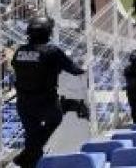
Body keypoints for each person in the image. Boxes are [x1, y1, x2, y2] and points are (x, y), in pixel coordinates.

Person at [11, 16, 85, 168]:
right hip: (46, 102)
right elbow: (73, 69)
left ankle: (29, 155)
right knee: (55, 119)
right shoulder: (52, 51)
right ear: (48, 33)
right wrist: (84, 68)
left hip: (23, 102)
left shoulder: (19, 51)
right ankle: (29, 153)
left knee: (32, 135)